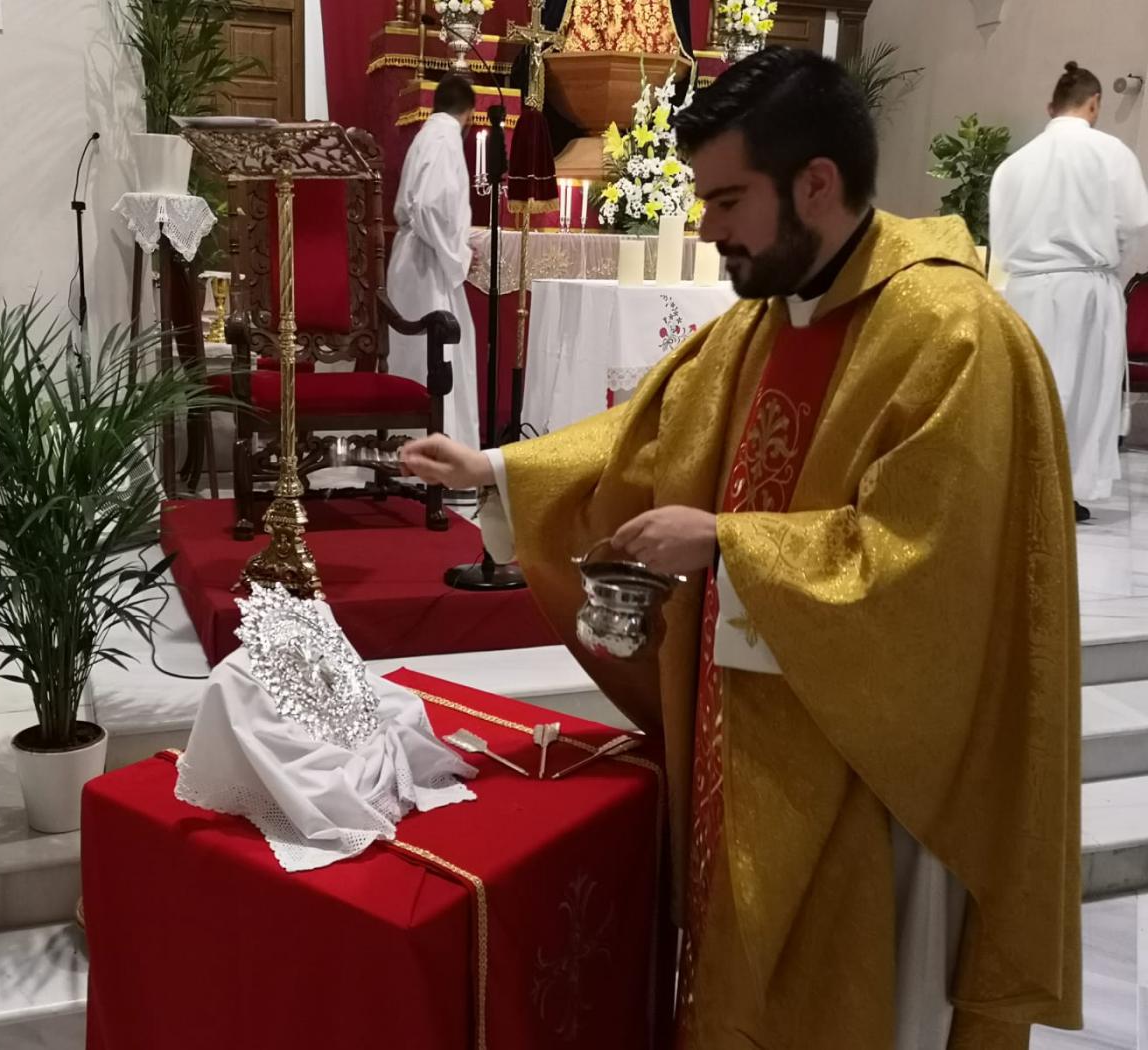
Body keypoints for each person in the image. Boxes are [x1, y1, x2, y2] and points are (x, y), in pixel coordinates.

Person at [401, 48, 1080, 1050]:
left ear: (814, 182)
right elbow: (646, 434)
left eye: (725, 200)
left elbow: (931, 572)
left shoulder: (953, 333)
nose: (706, 227)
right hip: (745, 729)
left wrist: (725, 546)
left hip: (877, 770)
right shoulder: (766, 319)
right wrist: (495, 473)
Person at [991, 61, 1148, 522]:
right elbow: (1136, 220)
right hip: (1085, 286)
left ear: (1050, 108)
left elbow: (1000, 236)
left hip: (1024, 289)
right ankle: (1065, 491)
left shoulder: (1014, 163)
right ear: (1095, 104)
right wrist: (1106, 259)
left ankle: (1019, 485)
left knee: (1030, 390)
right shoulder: (1110, 152)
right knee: (1080, 394)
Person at [387, 75, 479, 458]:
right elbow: (428, 207)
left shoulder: (428, 134)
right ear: (470, 113)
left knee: (420, 355)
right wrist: (456, 255)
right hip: (427, 264)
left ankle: (417, 455)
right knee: (437, 356)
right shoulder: (444, 140)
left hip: (417, 258)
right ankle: (439, 459)